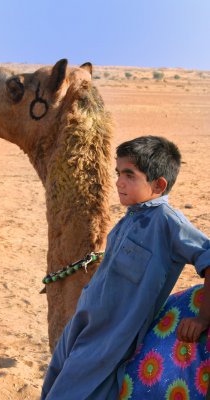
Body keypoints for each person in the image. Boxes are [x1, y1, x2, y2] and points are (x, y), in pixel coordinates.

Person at [41, 135, 210, 400]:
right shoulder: (130, 217)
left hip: (113, 336)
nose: (119, 182)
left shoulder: (168, 223)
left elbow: (208, 257)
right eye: (118, 173)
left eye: (129, 175)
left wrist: (203, 317)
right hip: (84, 323)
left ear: (158, 184)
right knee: (54, 382)